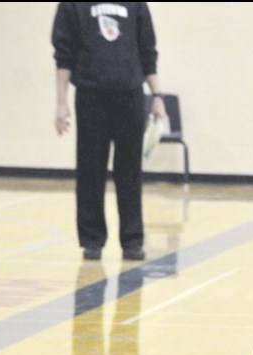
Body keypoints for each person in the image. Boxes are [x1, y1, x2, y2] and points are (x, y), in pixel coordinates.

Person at [52, 1, 167, 262]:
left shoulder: (136, 4)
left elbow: (148, 51)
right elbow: (63, 55)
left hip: (129, 95)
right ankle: (92, 241)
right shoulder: (72, 5)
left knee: (129, 170)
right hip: (91, 95)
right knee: (90, 169)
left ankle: (132, 241)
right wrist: (61, 102)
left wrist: (157, 95)